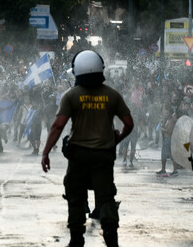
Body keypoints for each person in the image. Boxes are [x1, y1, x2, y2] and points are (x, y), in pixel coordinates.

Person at [41, 50, 134, 247]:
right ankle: (111, 237)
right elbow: (129, 123)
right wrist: (117, 140)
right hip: (104, 155)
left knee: (75, 197)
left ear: (77, 71)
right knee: (106, 197)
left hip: (78, 155)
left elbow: (58, 126)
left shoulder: (71, 95)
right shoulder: (113, 95)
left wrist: (46, 151)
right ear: (101, 69)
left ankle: (76, 239)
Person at [156, 107, 179, 177]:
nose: (165, 114)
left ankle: (167, 170)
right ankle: (166, 170)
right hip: (167, 140)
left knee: (165, 155)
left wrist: (162, 129)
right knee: (169, 156)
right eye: (165, 112)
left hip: (168, 140)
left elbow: (169, 131)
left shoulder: (171, 121)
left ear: (170, 113)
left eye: (167, 112)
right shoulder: (168, 120)